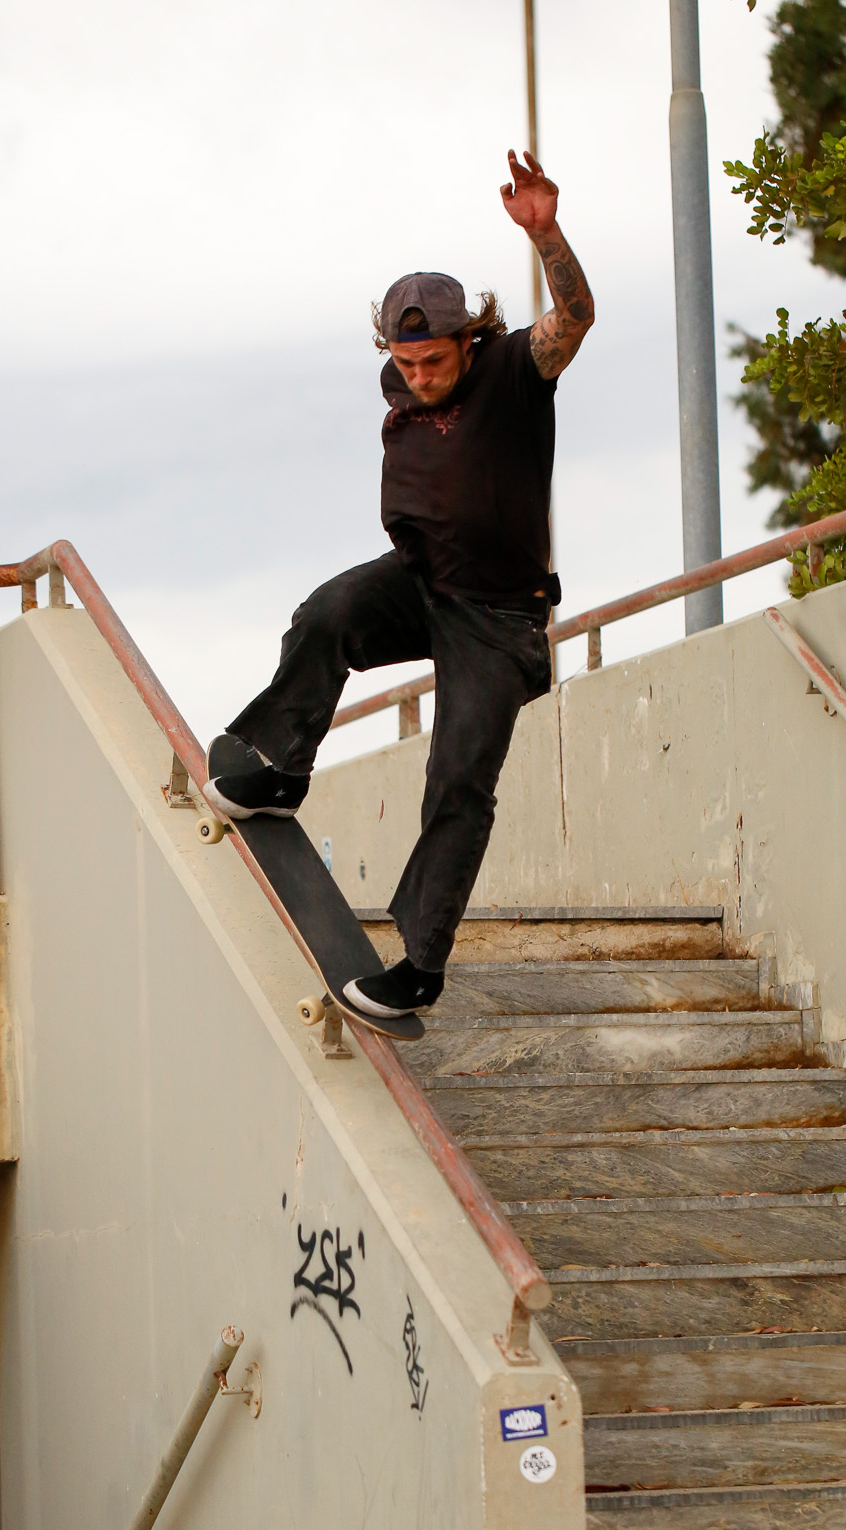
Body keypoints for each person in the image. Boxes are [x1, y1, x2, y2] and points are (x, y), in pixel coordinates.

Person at [205, 150, 594, 1019]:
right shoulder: (400, 384)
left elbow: (575, 316)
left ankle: (418, 962)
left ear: (468, 338)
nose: (419, 378)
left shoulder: (514, 371)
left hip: (498, 620)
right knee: (327, 613)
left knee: (458, 777)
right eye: (405, 364)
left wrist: (545, 233)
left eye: (433, 362)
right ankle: (283, 765)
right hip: (422, 586)